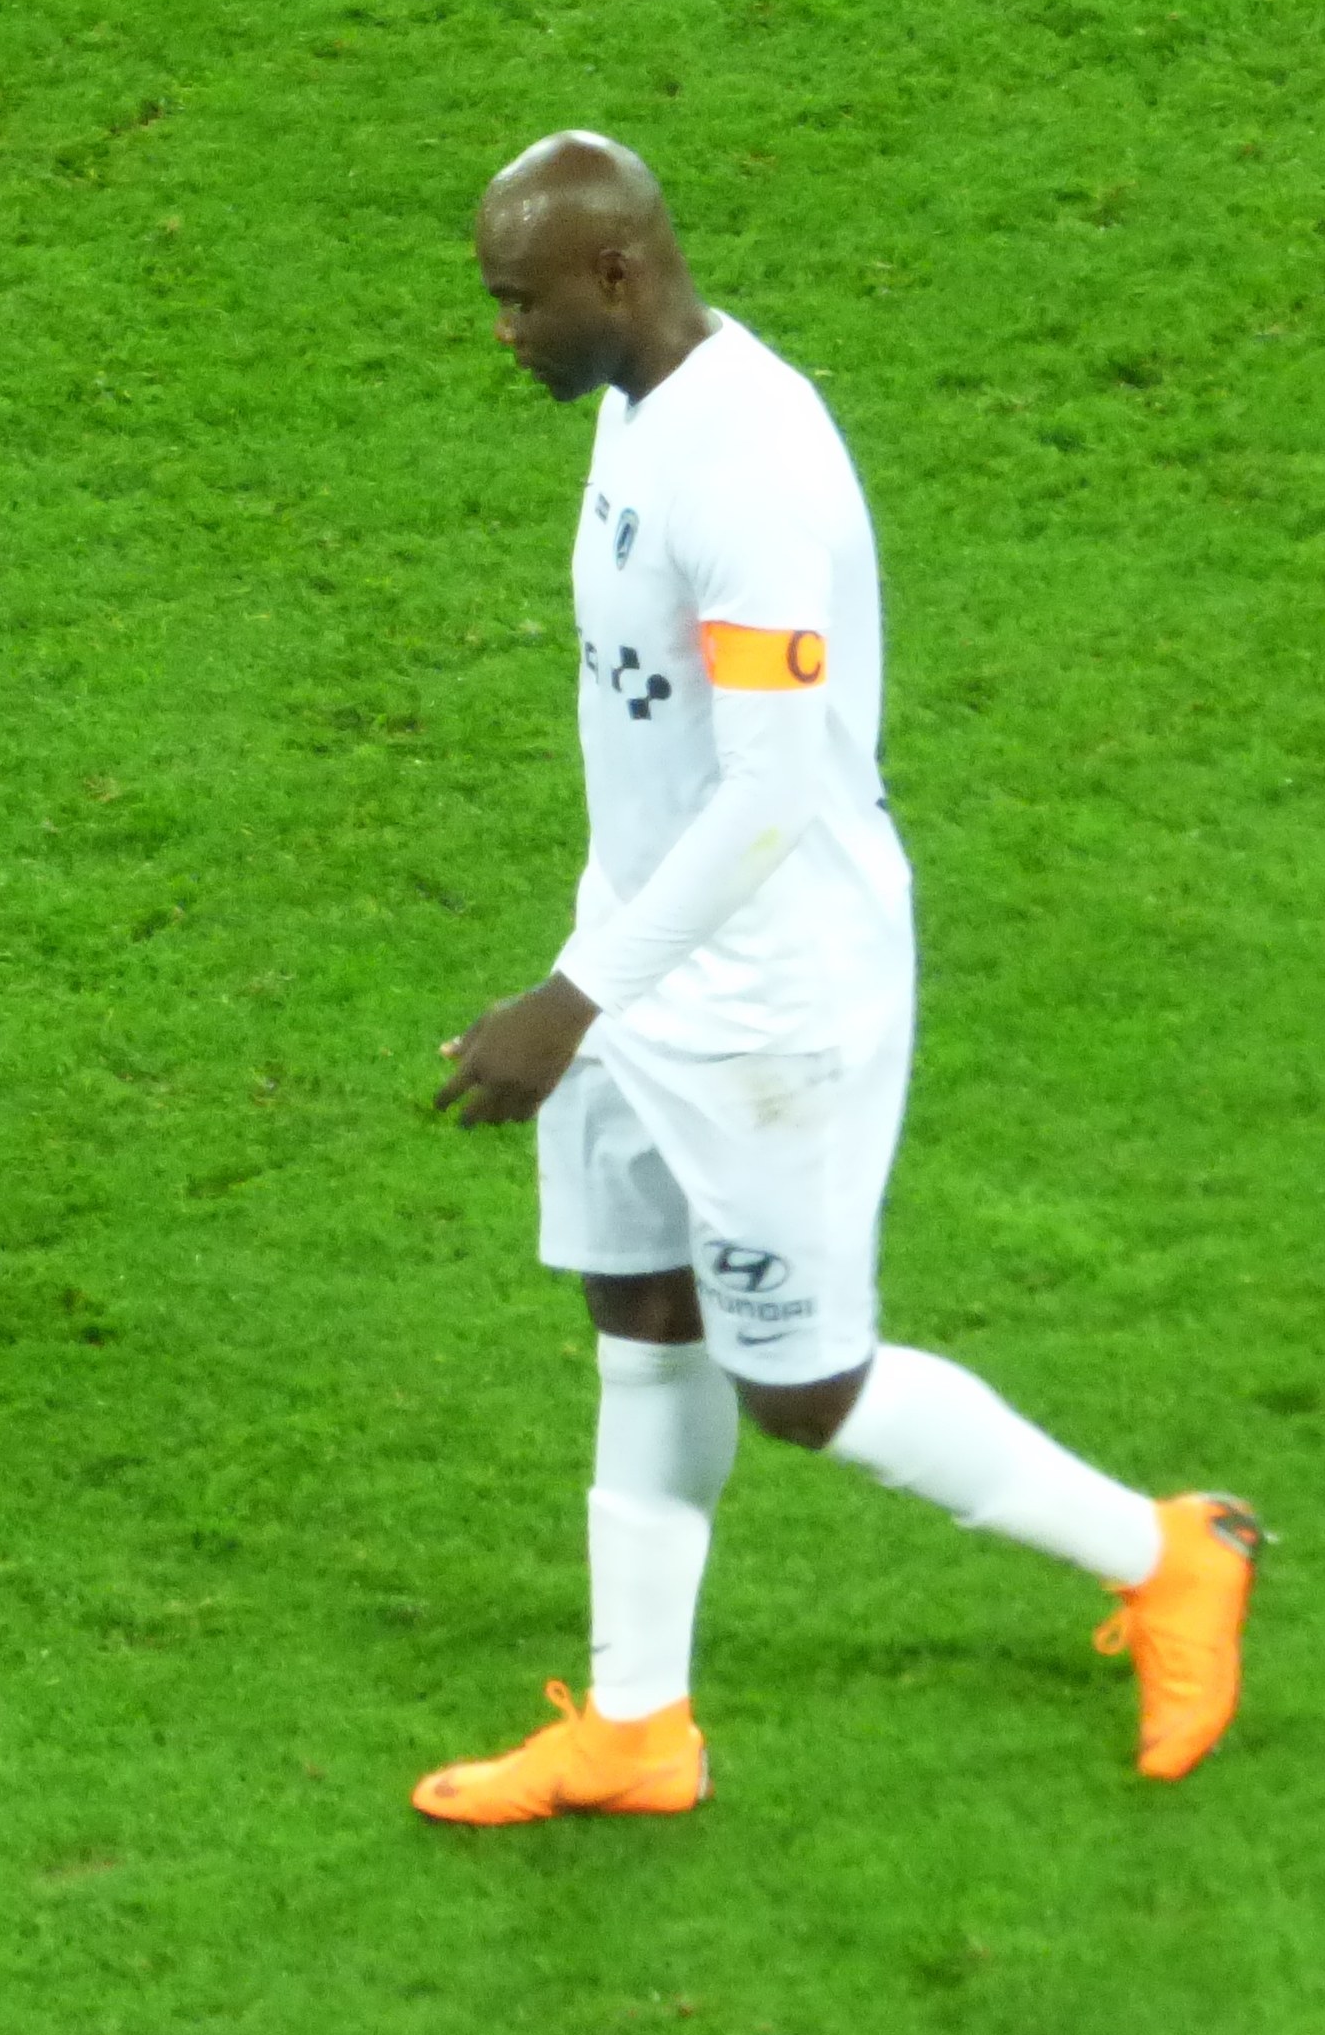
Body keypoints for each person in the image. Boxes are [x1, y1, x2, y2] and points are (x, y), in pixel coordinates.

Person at [418, 131, 1260, 1825]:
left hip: (766, 997)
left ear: (617, 275)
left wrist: (567, 1003)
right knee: (640, 1330)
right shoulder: (634, 403)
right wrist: (599, 978)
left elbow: (777, 792)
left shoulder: (755, 469)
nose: (499, 333)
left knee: (802, 1386)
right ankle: (639, 1732)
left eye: (517, 303)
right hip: (642, 952)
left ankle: (1170, 1554)